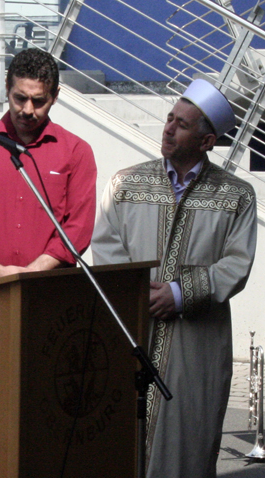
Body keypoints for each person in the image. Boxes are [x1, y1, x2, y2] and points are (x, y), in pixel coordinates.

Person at [92, 79, 257, 478]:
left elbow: (237, 265)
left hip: (198, 346)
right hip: (134, 331)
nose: (168, 129)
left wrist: (181, 295)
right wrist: (140, 293)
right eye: (169, 118)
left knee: (188, 444)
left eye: (182, 124)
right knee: (120, 443)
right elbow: (106, 245)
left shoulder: (237, 196)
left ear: (206, 141)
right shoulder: (125, 184)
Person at [0, 48, 97, 281]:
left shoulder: (76, 152)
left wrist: (34, 271)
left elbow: (78, 226)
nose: (28, 110)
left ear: (55, 96)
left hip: (49, 286)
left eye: (39, 101)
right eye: (20, 98)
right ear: (6, 88)